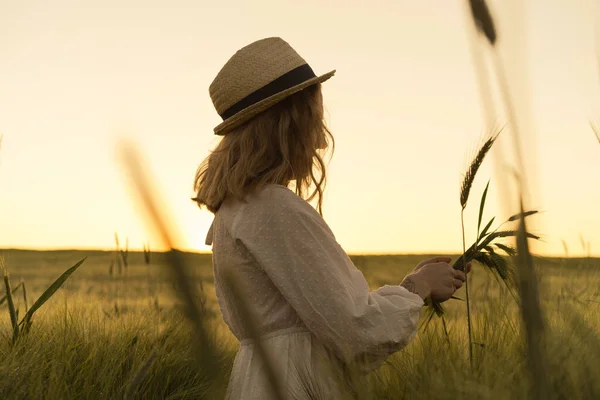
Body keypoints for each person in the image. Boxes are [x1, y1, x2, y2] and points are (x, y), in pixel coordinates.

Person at [194, 37, 469, 400]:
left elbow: (318, 315)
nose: (319, 142)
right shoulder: (275, 209)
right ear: (286, 126)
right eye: (313, 123)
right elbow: (356, 332)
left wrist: (407, 288)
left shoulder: (235, 211)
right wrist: (417, 289)